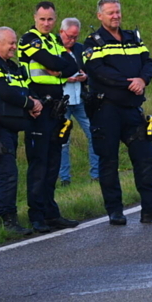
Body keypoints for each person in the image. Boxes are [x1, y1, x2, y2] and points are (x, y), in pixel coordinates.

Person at [84, 0, 152, 226]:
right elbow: (98, 72)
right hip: (106, 110)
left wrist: (142, 79)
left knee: (145, 158)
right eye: (110, 13)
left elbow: (149, 62)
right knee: (109, 161)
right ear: (100, 16)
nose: (115, 16)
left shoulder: (132, 38)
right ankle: (115, 211)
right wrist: (129, 82)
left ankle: (151, 209)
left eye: (117, 12)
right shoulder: (93, 42)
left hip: (132, 109)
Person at [18, 2, 79, 233]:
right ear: (35, 18)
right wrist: (58, 67)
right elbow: (55, 64)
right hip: (38, 108)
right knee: (39, 163)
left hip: (56, 108)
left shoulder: (54, 40)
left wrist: (59, 69)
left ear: (56, 20)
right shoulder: (28, 39)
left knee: (54, 162)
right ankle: (36, 215)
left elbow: (73, 66)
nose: (46, 23)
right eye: (42, 19)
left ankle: (51, 213)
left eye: (50, 19)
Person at [0, 27, 42, 237]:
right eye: (10, 43)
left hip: (9, 128)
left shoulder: (11, 66)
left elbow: (24, 87)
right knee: (7, 174)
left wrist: (33, 101)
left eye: (14, 42)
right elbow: (3, 92)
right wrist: (28, 104)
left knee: (3, 174)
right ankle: (8, 219)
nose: (14, 46)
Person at [58, 18, 98, 185]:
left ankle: (96, 174)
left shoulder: (81, 49)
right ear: (61, 32)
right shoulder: (53, 50)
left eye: (75, 37)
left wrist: (85, 76)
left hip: (80, 98)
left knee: (94, 134)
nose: (72, 40)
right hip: (62, 100)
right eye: (69, 36)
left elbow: (92, 70)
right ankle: (64, 178)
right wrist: (66, 78)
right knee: (63, 140)